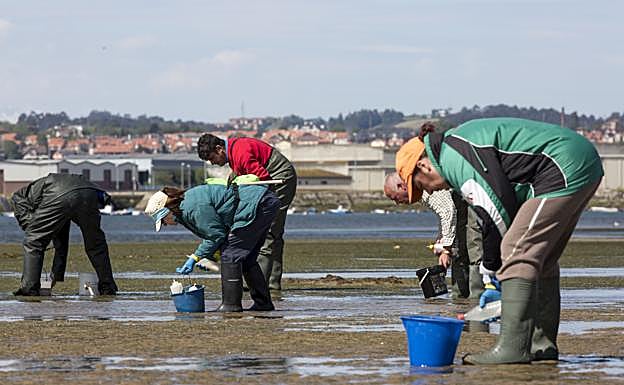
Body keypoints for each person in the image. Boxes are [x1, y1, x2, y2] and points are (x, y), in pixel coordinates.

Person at [395, 118, 603, 365]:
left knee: (517, 251)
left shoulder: (453, 157)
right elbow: (502, 205)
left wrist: (492, 274)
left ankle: (512, 349)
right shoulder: (456, 145)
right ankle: (541, 346)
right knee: (541, 259)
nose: (426, 192)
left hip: (562, 165)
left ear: (424, 165)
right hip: (579, 160)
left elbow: (493, 211)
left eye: (419, 185)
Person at [144, 177, 280, 312]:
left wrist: (195, 258)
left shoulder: (193, 208)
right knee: (246, 258)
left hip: (257, 204)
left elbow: (215, 235)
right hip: (263, 202)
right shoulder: (184, 207)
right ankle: (263, 303)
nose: (165, 225)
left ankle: (231, 305)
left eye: (163, 221)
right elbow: (216, 233)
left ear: (168, 210)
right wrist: (209, 256)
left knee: (231, 255)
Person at [197, 134, 297, 290]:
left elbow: (263, 180)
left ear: (219, 149)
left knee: (269, 229)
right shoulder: (234, 154)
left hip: (279, 178)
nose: (213, 163)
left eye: (212, 158)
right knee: (273, 233)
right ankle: (272, 281)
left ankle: (261, 283)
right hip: (268, 175)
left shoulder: (241, 153)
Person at [10, 173, 118, 296]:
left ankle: (29, 288)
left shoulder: (22, 197)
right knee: (96, 244)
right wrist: (55, 277)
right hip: (89, 192)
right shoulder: (46, 197)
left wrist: (30, 227)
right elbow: (61, 243)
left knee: (33, 243)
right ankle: (108, 287)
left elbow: (17, 202)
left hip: (60, 193)